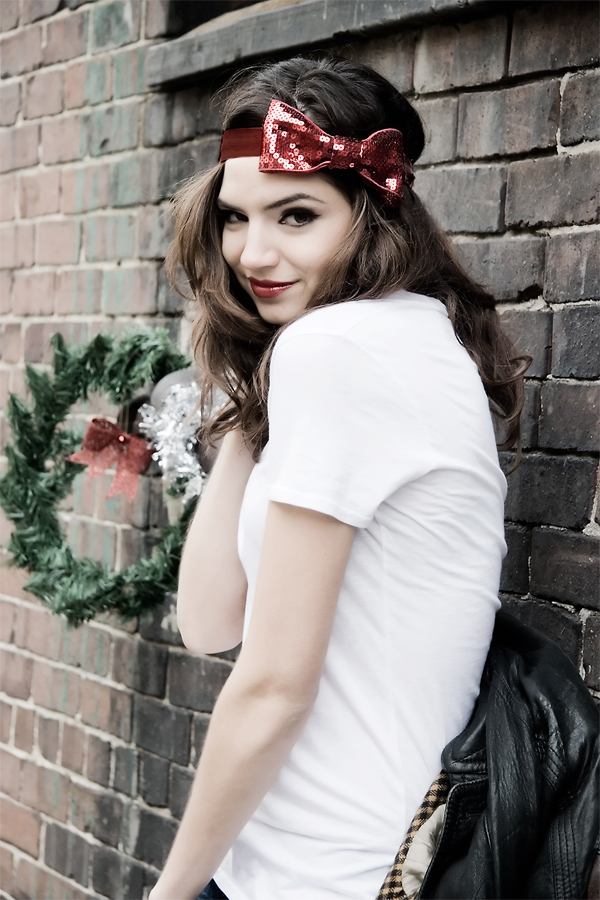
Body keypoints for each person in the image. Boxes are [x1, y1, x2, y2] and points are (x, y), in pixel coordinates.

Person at [148, 56, 528, 900]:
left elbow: (274, 685)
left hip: (327, 872)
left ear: (372, 213)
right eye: (235, 217)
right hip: (301, 861)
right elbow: (209, 619)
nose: (253, 253)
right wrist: (254, 389)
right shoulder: (384, 337)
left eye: (296, 214)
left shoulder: (341, 350)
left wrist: (167, 892)